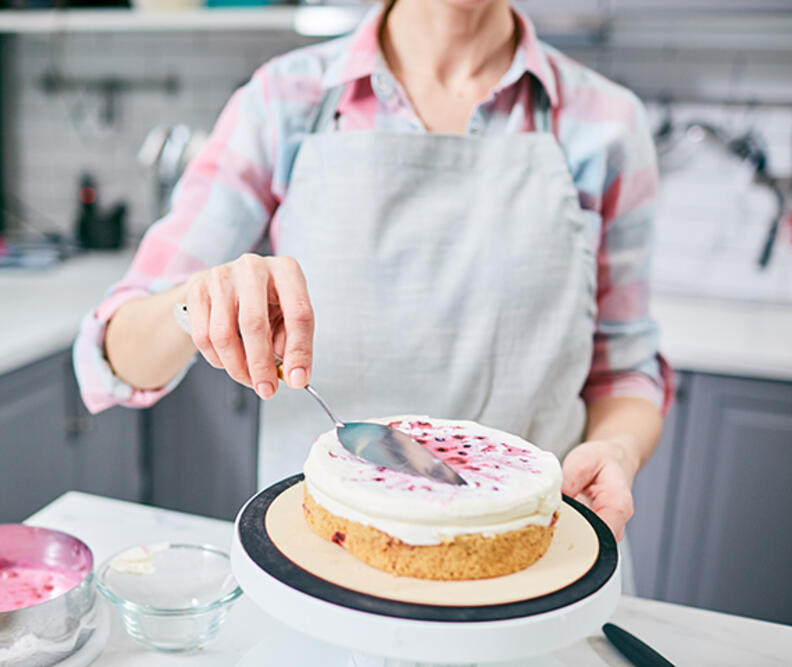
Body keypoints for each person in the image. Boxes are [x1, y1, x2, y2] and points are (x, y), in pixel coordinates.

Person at [74, 0, 673, 545]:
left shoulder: (606, 123)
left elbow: (624, 369)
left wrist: (616, 449)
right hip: (325, 558)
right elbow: (111, 356)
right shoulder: (284, 102)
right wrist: (196, 300)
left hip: (532, 559)